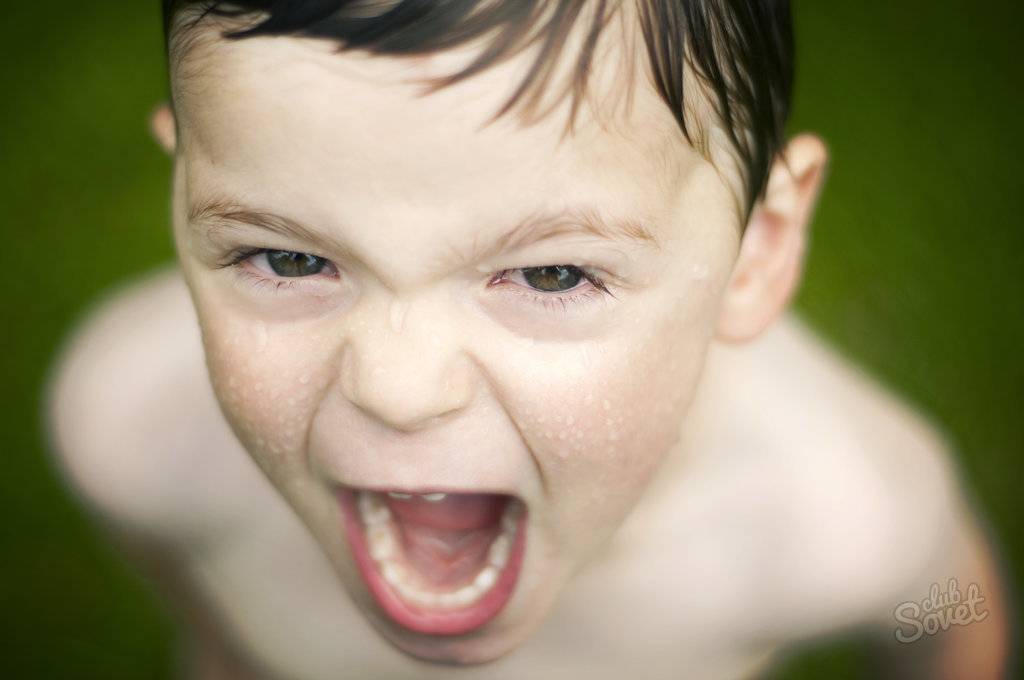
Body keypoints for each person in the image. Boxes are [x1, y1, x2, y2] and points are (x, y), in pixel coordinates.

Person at [45, 1, 1011, 678]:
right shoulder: (133, 435)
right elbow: (210, 626)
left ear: (756, 252)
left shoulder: (840, 520)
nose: (398, 388)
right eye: (288, 258)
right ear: (184, 195)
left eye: (553, 275)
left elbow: (952, 616)